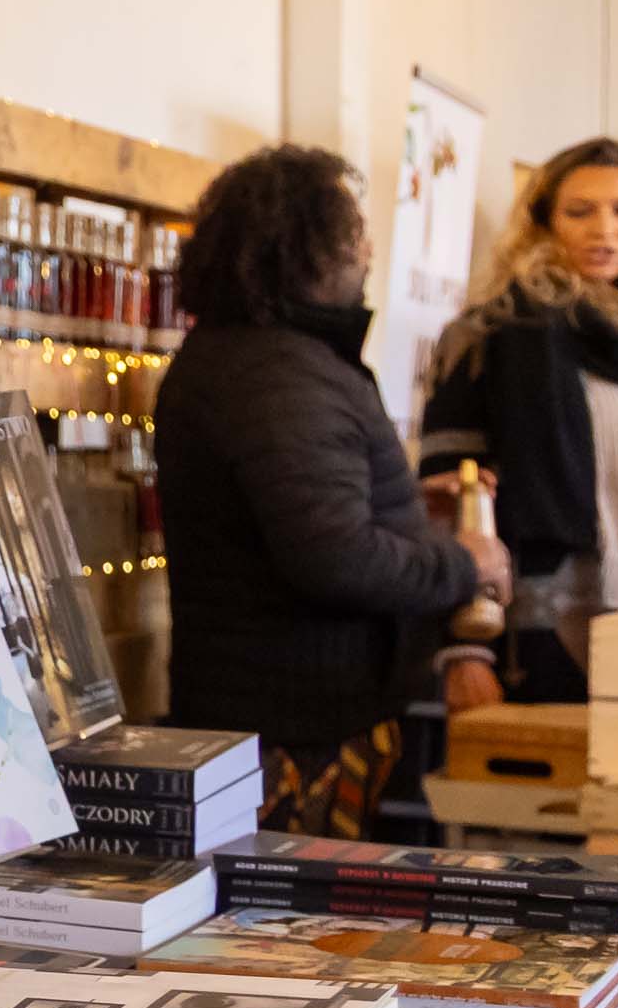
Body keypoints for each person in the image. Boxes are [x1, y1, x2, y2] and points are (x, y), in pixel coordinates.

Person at [155, 144, 505, 835]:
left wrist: (406, 505)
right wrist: (464, 563)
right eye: (352, 235)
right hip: (294, 740)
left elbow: (306, 515)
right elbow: (333, 557)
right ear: (303, 249)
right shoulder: (276, 375)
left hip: (291, 721)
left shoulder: (265, 359)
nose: (367, 253)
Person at [419, 137, 618, 705]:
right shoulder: (489, 336)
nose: (604, 229)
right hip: (543, 625)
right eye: (580, 211)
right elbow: (449, 500)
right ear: (545, 222)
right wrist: (463, 648)